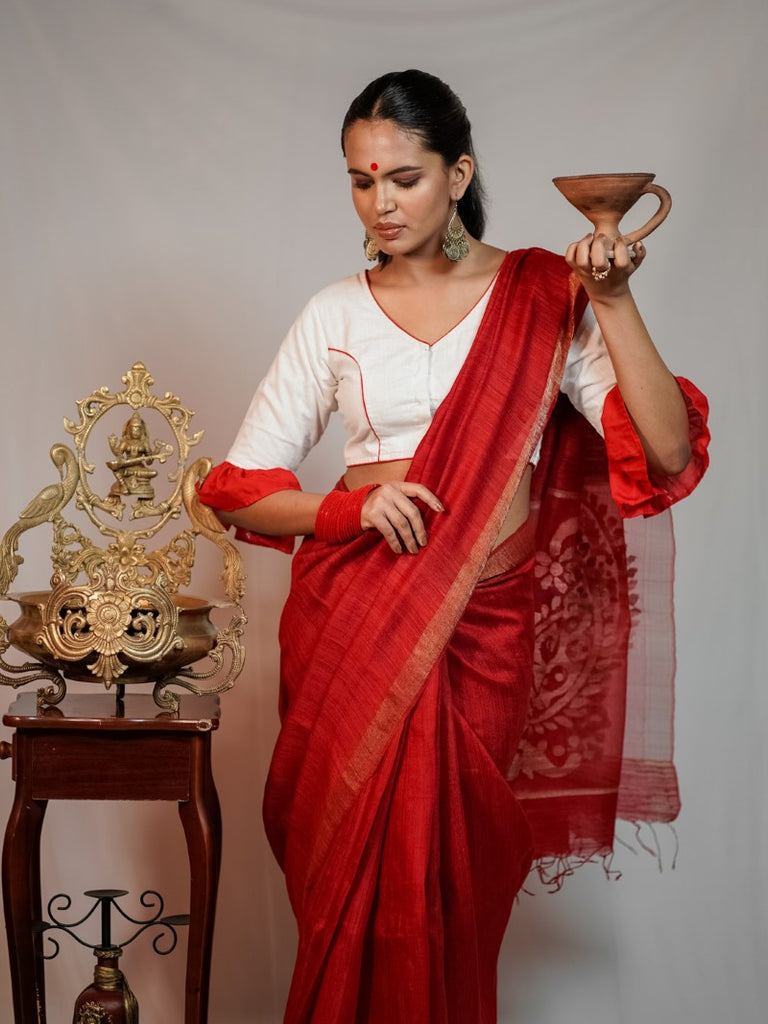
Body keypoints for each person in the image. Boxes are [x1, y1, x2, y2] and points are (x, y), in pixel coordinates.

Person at [198, 70, 709, 1024]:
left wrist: (612, 300)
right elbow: (238, 489)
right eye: (361, 181)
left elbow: (667, 451)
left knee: (457, 896)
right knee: (348, 885)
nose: (381, 203)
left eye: (404, 178)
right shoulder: (334, 314)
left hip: (484, 630)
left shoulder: (542, 298)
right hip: (354, 620)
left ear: (458, 175)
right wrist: (349, 512)